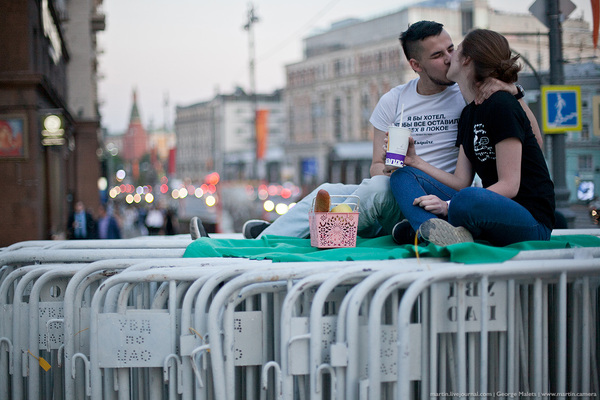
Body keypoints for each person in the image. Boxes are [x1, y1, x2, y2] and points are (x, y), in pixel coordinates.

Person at [240, 21, 541, 240]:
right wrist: (392, 166)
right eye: (437, 55)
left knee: (375, 190)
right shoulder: (394, 100)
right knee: (330, 190)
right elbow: (376, 166)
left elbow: (527, 138)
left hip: (440, 193)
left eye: (451, 49)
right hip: (400, 185)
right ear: (416, 65)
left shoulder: (468, 95)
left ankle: (306, 233)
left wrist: (513, 90)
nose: (449, 58)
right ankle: (270, 237)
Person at [389, 29, 555, 247]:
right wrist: (415, 161)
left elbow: (510, 185)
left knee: (467, 198)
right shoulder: (469, 113)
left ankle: (432, 228)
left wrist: (448, 205)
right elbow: (460, 181)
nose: (449, 57)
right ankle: (429, 231)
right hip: (487, 211)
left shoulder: (502, 104)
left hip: (530, 220)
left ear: (467, 59)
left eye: (455, 49)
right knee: (403, 175)